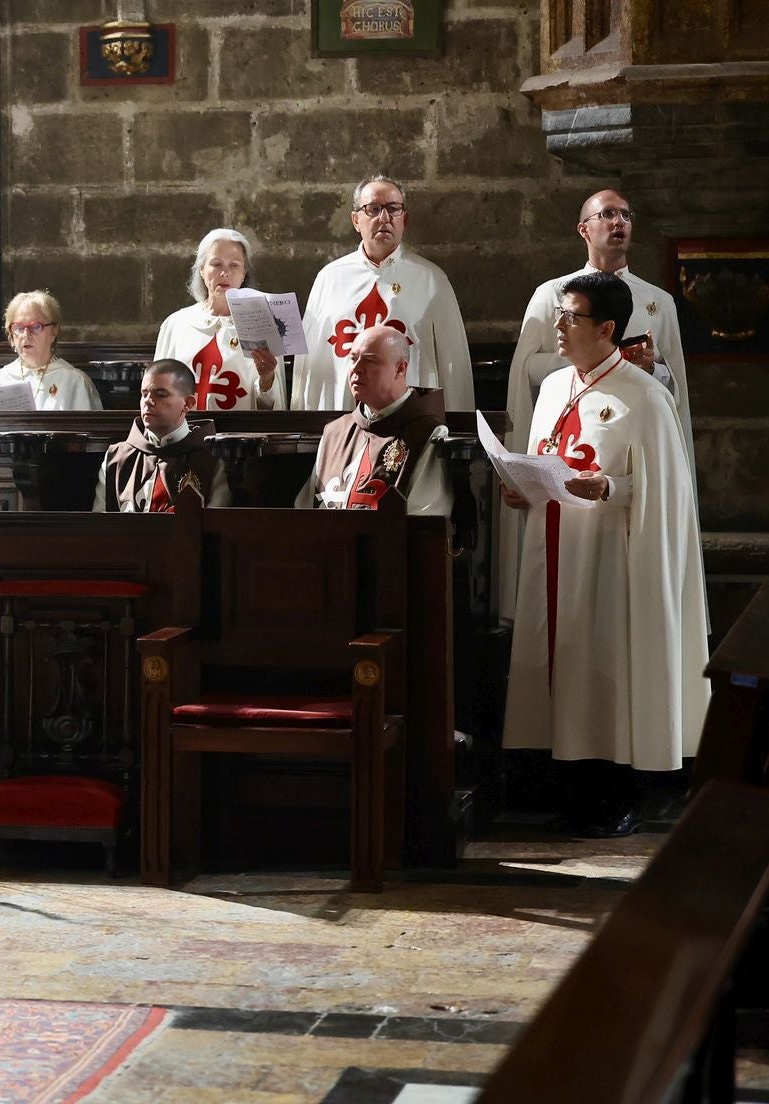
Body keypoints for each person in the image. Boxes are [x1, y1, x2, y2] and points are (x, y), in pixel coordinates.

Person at [500, 270, 708, 837]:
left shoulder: (645, 397)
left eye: (572, 318)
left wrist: (612, 488)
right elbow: (546, 460)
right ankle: (564, 783)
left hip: (614, 559)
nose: (560, 328)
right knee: (562, 664)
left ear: (609, 327)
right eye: (560, 316)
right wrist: (524, 489)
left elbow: (669, 494)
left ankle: (619, 791)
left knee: (604, 667)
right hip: (556, 549)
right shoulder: (553, 389)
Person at [498, 188, 695, 619]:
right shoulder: (552, 294)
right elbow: (525, 369)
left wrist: (651, 367)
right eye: (607, 214)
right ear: (583, 229)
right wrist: (597, 359)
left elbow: (675, 384)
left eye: (626, 214)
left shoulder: (657, 301)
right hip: (569, 420)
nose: (619, 222)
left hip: (628, 433)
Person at [295, 176, 473, 411]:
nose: (384, 218)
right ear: (356, 220)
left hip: (409, 420)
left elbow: (453, 366)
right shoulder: (330, 278)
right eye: (373, 209)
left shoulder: (431, 280)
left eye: (393, 209)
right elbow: (310, 364)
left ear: (404, 219)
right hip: (342, 414)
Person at [297, 326, 450, 513]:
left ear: (400, 369)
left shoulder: (427, 433)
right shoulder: (335, 432)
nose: (356, 368)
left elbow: (425, 518)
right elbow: (304, 511)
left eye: (369, 360)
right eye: (353, 358)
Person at [153, 228, 283, 411]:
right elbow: (156, 394)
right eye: (217, 264)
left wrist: (267, 379)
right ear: (202, 270)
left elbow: (272, 407)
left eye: (234, 265)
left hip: (239, 435)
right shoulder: (176, 325)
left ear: (244, 272)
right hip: (185, 436)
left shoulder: (263, 325)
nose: (225, 273)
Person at [94, 359, 232, 512]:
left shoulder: (210, 458)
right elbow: (99, 527)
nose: (148, 401)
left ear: (188, 403)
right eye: (144, 394)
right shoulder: (116, 458)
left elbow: (215, 525)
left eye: (160, 394)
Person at [0, 290, 101, 410]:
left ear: (54, 331)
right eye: (19, 327)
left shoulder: (75, 381)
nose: (26, 334)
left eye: (36, 327)